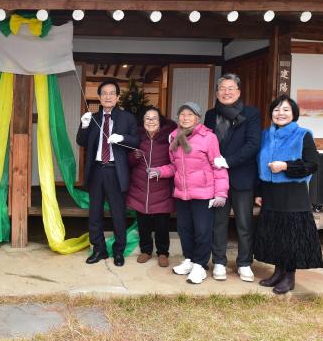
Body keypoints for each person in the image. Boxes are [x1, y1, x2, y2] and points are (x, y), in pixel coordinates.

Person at [254, 95, 323, 294]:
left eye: (285, 110)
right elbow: (258, 165)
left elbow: (313, 164)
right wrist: (259, 192)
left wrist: (285, 166)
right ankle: (277, 271)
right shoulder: (265, 135)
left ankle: (289, 276)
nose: (280, 113)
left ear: (294, 114)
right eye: (276, 109)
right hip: (270, 192)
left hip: (293, 193)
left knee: (291, 235)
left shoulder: (303, 135)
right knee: (275, 233)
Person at [154, 102, 229, 284]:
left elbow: (218, 165)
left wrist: (221, 193)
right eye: (182, 114)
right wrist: (160, 171)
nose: (185, 117)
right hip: (182, 192)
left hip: (203, 193)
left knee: (202, 230)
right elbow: (175, 166)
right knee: (184, 229)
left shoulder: (208, 138)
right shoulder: (174, 137)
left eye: (190, 114)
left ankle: (201, 265)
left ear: (197, 117)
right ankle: (189, 259)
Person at [204, 73, 261, 282]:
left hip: (242, 176)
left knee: (244, 223)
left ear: (238, 91)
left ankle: (245, 262)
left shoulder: (251, 113)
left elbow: (253, 144)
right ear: (217, 93)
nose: (226, 92)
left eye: (231, 88)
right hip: (217, 178)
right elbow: (206, 142)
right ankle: (219, 261)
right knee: (218, 222)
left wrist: (228, 161)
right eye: (222, 89)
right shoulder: (211, 114)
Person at [76, 79, 139, 267]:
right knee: (94, 213)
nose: (108, 96)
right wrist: (85, 125)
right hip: (96, 170)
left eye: (112, 93)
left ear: (118, 97)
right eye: (104, 93)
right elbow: (82, 141)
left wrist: (122, 138)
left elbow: (136, 141)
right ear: (99, 97)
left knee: (118, 214)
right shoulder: (93, 117)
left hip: (116, 171)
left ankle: (119, 251)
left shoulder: (127, 118)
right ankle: (99, 249)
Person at [126, 106, 176, 267]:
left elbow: (175, 164)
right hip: (140, 187)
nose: (151, 121)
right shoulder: (137, 138)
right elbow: (129, 163)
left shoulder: (170, 139)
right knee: (143, 224)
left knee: (162, 225)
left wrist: (160, 172)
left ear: (160, 121)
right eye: (147, 118)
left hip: (161, 187)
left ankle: (162, 252)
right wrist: (134, 156)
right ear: (143, 121)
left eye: (154, 118)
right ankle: (146, 250)